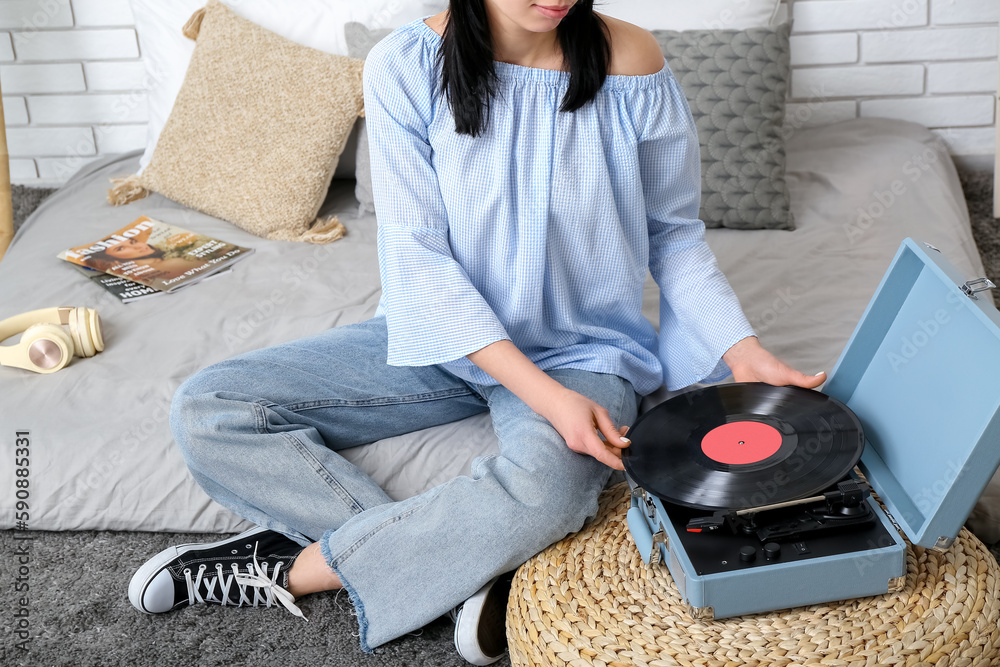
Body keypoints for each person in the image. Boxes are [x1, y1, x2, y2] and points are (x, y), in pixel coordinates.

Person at [128, 1, 825, 664]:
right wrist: (544, 399)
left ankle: (295, 566)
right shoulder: (402, 67)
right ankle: (458, 566)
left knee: (552, 486)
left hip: (583, 349)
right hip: (438, 336)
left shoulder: (631, 61)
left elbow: (672, 237)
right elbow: (419, 261)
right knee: (208, 406)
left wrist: (742, 348)